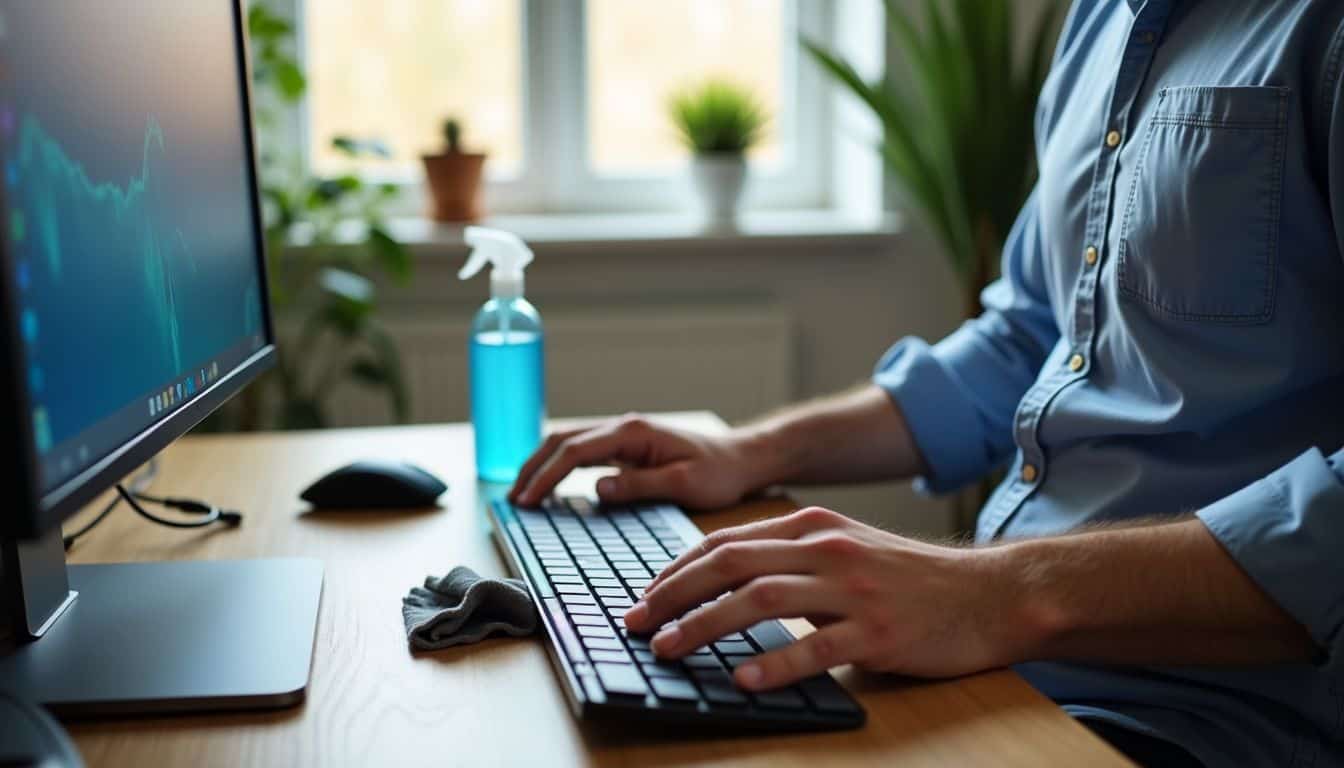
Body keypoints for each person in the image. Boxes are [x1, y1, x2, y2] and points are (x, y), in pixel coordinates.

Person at [511, 1, 1344, 765]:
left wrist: (995, 592)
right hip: (1002, 664)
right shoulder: (1101, 24)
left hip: (1203, 723)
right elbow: (1030, 336)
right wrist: (749, 450)